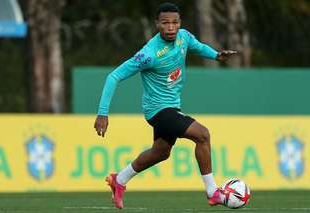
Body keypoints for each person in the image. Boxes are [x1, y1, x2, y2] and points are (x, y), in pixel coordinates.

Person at [94, 2, 237, 209]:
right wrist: (102, 113)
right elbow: (114, 76)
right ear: (157, 24)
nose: (171, 27)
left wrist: (216, 55)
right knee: (203, 135)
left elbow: (198, 47)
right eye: (165, 23)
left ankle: (120, 180)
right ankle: (213, 192)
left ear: (180, 23)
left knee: (161, 152)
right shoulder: (148, 54)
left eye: (175, 22)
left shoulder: (184, 37)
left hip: (172, 108)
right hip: (158, 110)